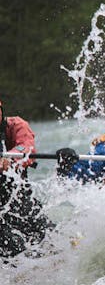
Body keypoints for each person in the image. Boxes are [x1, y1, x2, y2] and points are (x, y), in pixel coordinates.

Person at [0, 100, 52, 258]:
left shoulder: (15, 125)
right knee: (12, 247)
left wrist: (10, 158)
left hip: (17, 198)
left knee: (48, 238)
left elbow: (27, 146)